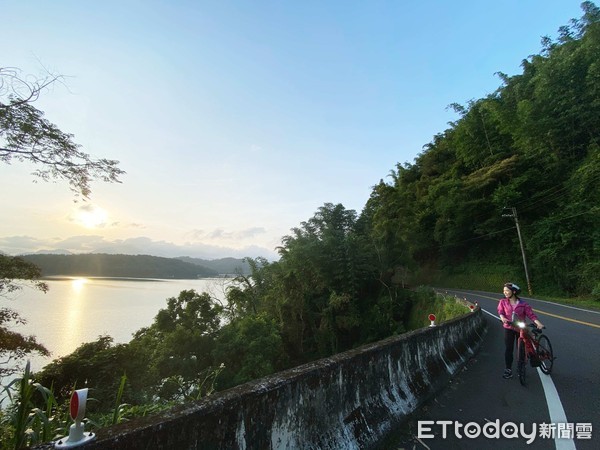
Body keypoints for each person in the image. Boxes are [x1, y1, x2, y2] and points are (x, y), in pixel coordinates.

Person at [497, 282, 544, 379]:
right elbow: (500, 311)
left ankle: (521, 366)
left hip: (521, 329)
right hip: (508, 327)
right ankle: (508, 369)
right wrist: (502, 318)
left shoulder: (523, 304)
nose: (505, 292)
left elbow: (531, 315)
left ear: (513, 292)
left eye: (507, 291)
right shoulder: (503, 302)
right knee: (508, 349)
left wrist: (538, 323)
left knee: (521, 349)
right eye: (504, 291)